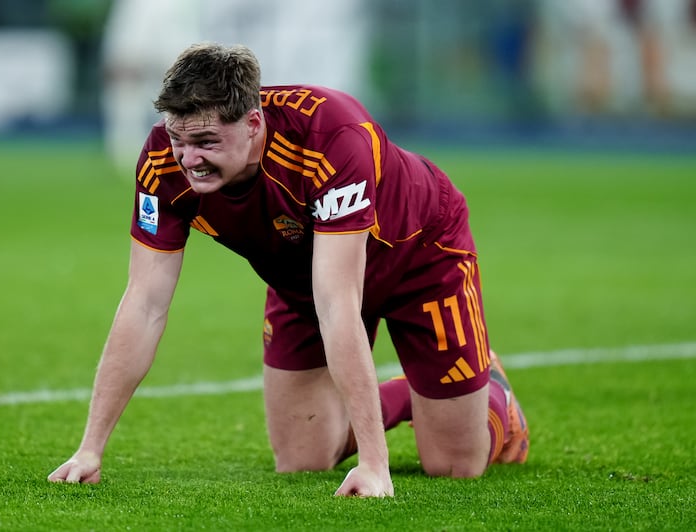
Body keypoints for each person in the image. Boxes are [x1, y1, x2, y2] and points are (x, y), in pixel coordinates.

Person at [48, 42, 529, 497]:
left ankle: (495, 396)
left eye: (206, 141)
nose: (189, 159)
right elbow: (145, 303)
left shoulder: (331, 138)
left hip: (419, 256)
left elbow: (339, 302)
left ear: (254, 122)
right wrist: (90, 448)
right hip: (303, 274)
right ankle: (411, 395)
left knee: (453, 465)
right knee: (302, 458)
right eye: (178, 138)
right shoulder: (162, 163)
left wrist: (374, 464)